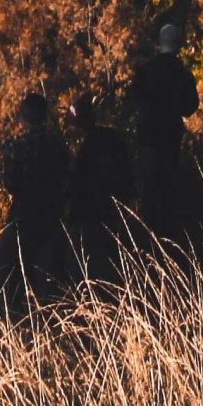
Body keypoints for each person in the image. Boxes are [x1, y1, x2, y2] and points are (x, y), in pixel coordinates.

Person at [130, 24, 199, 235]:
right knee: (168, 186)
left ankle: (147, 234)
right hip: (170, 135)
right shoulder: (182, 73)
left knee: (149, 186)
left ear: (160, 42)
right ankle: (168, 233)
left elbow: (133, 100)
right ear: (179, 44)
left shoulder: (146, 71)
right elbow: (190, 106)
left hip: (148, 135)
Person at [0, 92, 69, 294]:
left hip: (23, 213)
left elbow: (11, 184)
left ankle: (3, 303)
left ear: (23, 116)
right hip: (52, 212)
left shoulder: (16, 146)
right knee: (46, 268)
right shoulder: (57, 143)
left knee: (3, 264)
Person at [65, 93, 132, 274]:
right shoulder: (111, 138)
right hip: (114, 213)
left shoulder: (88, 150)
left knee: (86, 263)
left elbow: (79, 184)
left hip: (91, 215)